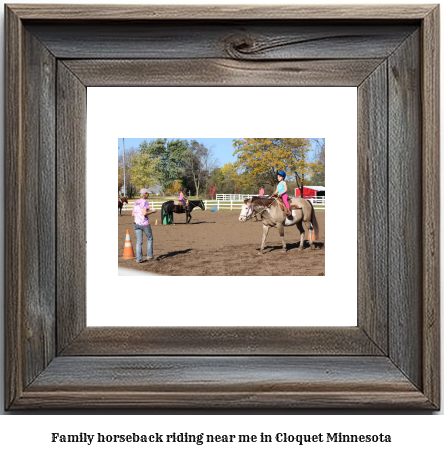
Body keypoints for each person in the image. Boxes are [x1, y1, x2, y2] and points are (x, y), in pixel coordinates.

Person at [132, 188, 157, 262]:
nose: (148, 194)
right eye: (147, 193)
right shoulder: (145, 202)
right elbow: (144, 213)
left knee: (139, 241)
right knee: (150, 239)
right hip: (144, 223)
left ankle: (139, 258)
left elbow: (133, 214)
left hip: (136, 223)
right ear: (145, 193)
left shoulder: (136, 202)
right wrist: (152, 211)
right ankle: (149, 255)